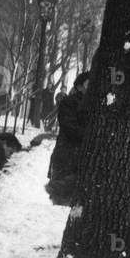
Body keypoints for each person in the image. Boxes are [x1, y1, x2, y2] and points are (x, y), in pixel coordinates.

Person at [46, 71, 90, 206]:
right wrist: (90, 136)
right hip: (67, 153)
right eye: (89, 84)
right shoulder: (69, 102)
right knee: (61, 198)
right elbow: (69, 127)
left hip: (82, 154)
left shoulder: (97, 104)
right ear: (79, 87)